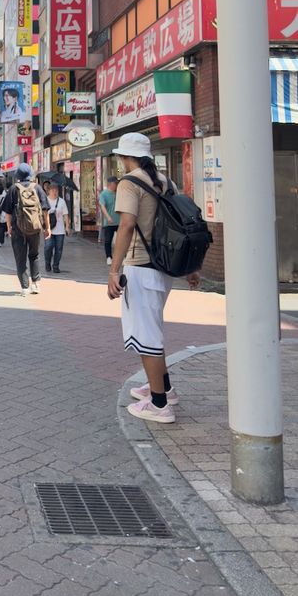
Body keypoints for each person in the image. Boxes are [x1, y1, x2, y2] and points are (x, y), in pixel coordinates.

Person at [107, 133, 200, 424]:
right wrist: (190, 268)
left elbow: (126, 226)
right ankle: (164, 388)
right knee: (152, 328)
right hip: (164, 267)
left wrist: (114, 269)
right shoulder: (165, 181)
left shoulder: (129, 183)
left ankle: (159, 405)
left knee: (148, 336)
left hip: (141, 267)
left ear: (125, 157)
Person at [2, 163, 50, 297]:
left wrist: (9, 227)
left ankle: (24, 287)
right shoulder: (38, 188)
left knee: (20, 257)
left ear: (18, 175)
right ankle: (36, 284)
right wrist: (47, 228)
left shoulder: (13, 189)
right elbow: (45, 210)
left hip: (18, 229)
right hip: (35, 228)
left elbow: (7, 212)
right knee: (34, 255)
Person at [44, 183, 70, 274]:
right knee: (48, 247)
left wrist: (67, 226)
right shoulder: (45, 201)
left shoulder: (62, 201)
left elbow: (65, 214)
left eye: (56, 190)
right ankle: (47, 263)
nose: (55, 192)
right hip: (48, 229)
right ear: (49, 191)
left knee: (59, 249)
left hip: (60, 230)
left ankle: (55, 266)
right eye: (53, 190)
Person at [99, 176, 120, 266]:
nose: (117, 185)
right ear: (111, 184)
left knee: (121, 240)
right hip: (109, 222)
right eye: (116, 183)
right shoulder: (104, 194)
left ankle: (121, 257)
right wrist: (108, 217)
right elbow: (102, 206)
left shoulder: (118, 193)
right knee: (108, 240)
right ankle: (109, 257)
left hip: (120, 221)